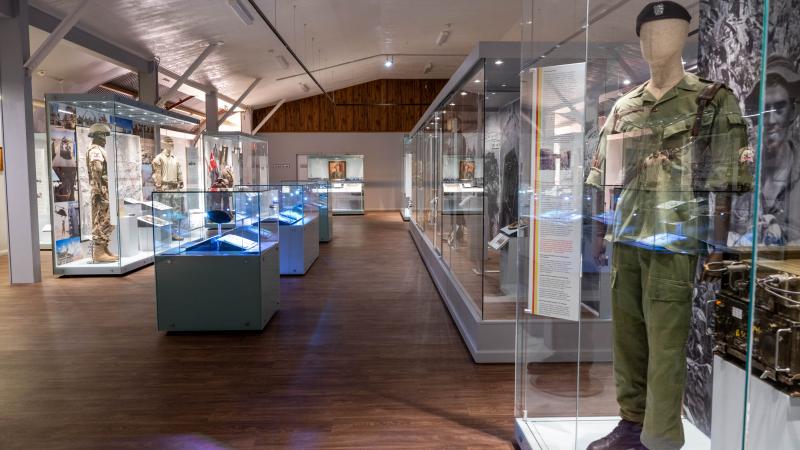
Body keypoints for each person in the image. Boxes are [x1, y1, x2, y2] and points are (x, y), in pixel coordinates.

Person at [584, 3, 751, 449]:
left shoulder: (712, 100)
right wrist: (601, 232)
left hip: (676, 241)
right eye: (648, 34)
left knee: (666, 344)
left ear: (684, 36)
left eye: (669, 30)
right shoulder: (624, 106)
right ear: (639, 42)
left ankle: (660, 438)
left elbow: (725, 181)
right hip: (628, 238)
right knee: (629, 341)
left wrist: (716, 246)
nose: (658, 41)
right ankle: (632, 424)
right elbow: (607, 178)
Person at [729, 55, 800, 246]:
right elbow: (729, 230)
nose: (771, 121)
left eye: (779, 108)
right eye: (765, 110)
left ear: (793, 112)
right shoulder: (745, 168)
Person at [86, 123, 118, 263]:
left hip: (104, 189)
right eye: (104, 135)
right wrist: (99, 190)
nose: (106, 139)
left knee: (107, 218)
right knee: (102, 219)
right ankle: (99, 252)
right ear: (99, 135)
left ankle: (103, 248)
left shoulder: (99, 149)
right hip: (101, 191)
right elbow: (97, 169)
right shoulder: (96, 150)